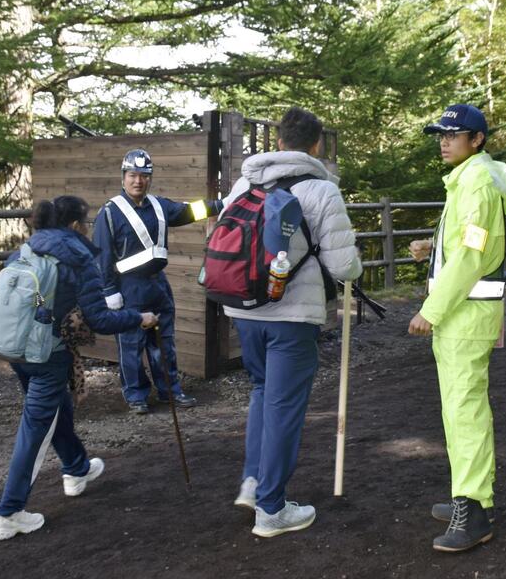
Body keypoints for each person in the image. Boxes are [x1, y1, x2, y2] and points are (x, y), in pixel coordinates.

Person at [224, 107, 362, 537]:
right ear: (315, 145)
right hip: (292, 314)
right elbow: (344, 268)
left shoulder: (245, 182)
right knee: (284, 407)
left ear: (279, 142)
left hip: (244, 309)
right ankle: (271, 509)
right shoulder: (322, 190)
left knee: (263, 392)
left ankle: (253, 481)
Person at [0, 196, 158, 541]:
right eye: (86, 222)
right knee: (36, 429)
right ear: (75, 225)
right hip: (47, 355)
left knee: (55, 410)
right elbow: (98, 318)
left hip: (14, 349)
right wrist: (138, 318)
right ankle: (8, 512)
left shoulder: (27, 249)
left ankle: (76, 469)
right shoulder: (79, 258)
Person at [408, 103, 506, 552]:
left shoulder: (475, 182)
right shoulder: (469, 179)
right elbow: (468, 239)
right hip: (465, 314)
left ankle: (473, 508)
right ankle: (474, 497)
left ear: (477, 140)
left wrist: (430, 310)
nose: (444, 141)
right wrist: (432, 245)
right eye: (441, 134)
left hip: (464, 315)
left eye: (454, 135)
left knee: (464, 411)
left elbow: (475, 254)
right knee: (461, 410)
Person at [92, 150, 223, 414]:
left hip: (158, 285)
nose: (138, 181)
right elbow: (103, 255)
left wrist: (222, 205)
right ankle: (136, 396)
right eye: (132, 175)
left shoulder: (159, 206)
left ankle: (170, 391)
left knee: (164, 342)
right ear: (123, 177)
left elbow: (190, 211)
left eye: (143, 176)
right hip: (128, 287)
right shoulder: (109, 213)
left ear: (150, 178)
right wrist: (109, 292)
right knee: (131, 345)